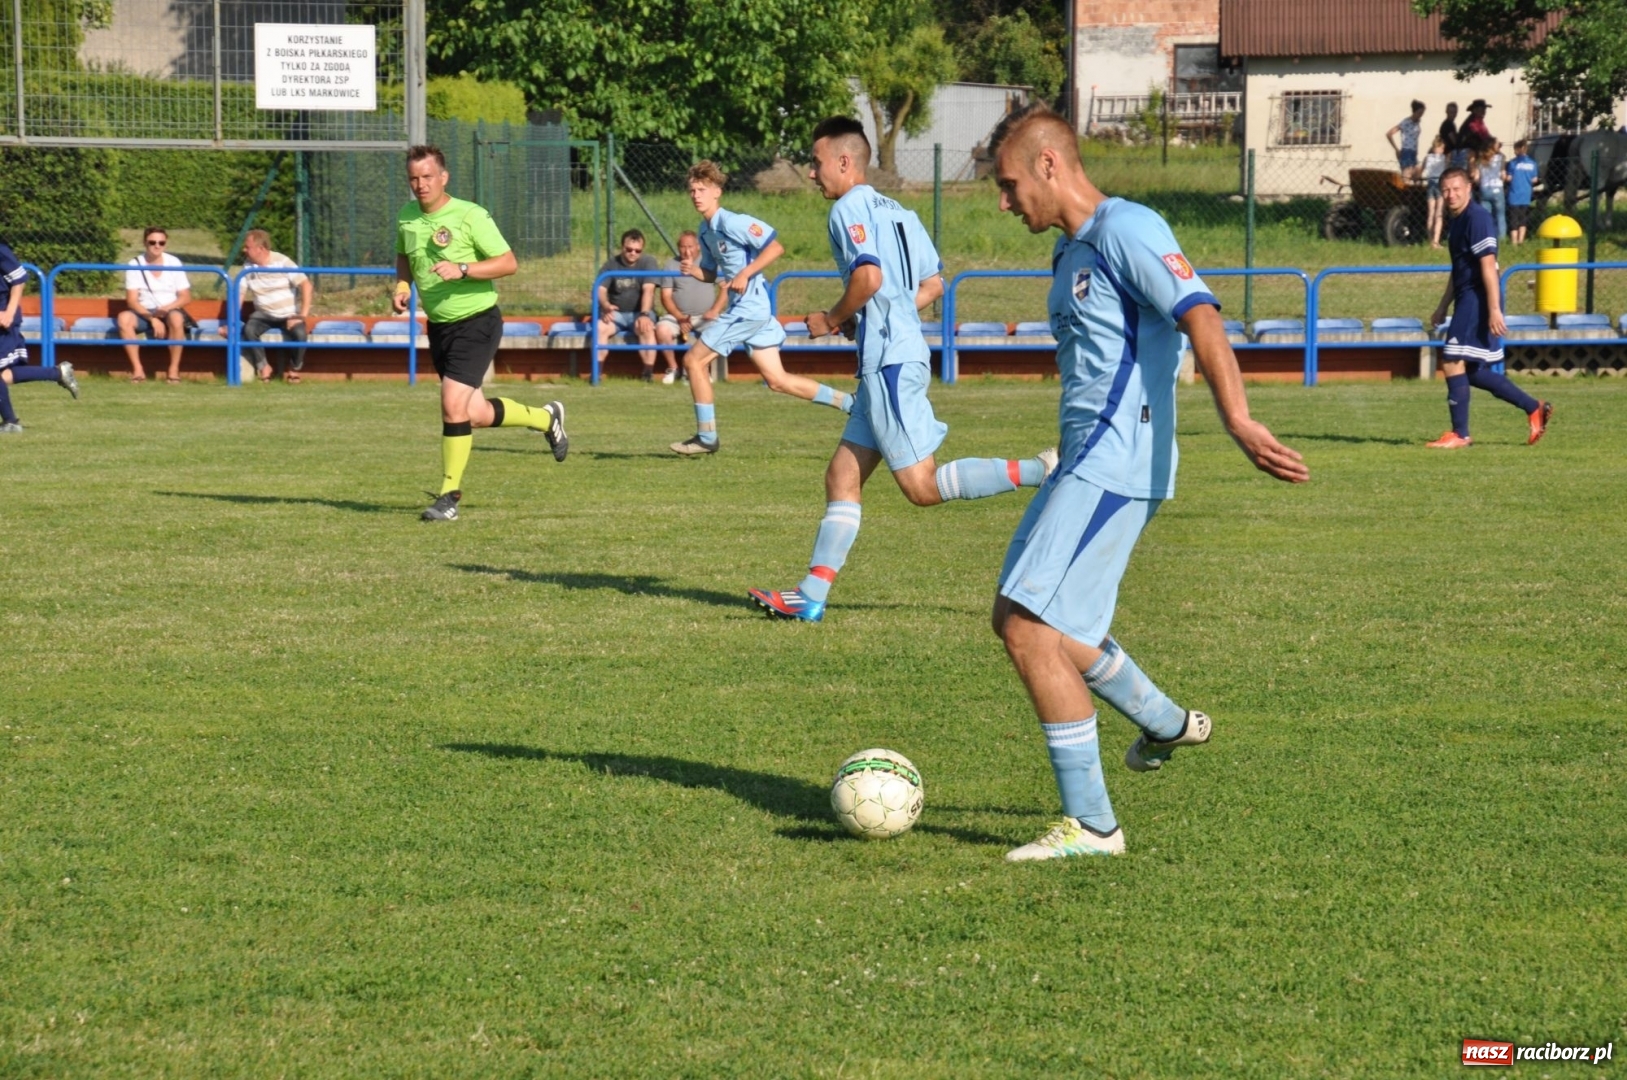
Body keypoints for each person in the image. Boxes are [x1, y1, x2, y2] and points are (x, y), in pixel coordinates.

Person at [980, 104, 1309, 862]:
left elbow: (1200, 319)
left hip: (1114, 465)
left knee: (1030, 629)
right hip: (1086, 462)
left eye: (1007, 184)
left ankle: (1093, 826)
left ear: (1049, 166)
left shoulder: (1128, 228)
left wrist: (1238, 420)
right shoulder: (1070, 254)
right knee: (1025, 619)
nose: (1004, 202)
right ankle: (1161, 721)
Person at [747, 117, 1057, 623]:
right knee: (841, 475)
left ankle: (1042, 470)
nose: (811, 173)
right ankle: (811, 594)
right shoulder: (901, 212)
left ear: (845, 162)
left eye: (817, 162)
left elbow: (868, 276)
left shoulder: (847, 208)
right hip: (897, 354)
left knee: (921, 487)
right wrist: (877, 312)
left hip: (888, 363)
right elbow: (932, 285)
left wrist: (832, 318)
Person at [393, 144, 569, 522]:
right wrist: (403, 287)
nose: (420, 185)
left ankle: (448, 496)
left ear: (444, 177)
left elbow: (508, 263)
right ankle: (545, 418)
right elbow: (404, 256)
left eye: (427, 177)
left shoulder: (469, 215)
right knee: (473, 413)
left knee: (451, 404)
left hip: (477, 322)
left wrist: (462, 268)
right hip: (439, 326)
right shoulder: (407, 217)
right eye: (413, 178)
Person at [667, 160, 856, 455]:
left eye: (702, 189)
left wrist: (745, 273)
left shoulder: (732, 222)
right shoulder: (706, 232)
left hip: (749, 309)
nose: (696, 195)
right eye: (692, 190)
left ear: (717, 191)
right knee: (777, 380)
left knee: (693, 362)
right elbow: (711, 273)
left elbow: (775, 247)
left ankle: (707, 437)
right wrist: (693, 271)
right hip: (750, 309)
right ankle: (850, 404)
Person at [1427, 167, 1551, 450]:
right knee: (1469, 371)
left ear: (1469, 188)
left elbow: (1488, 266)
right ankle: (1534, 408)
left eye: (1456, 188)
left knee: (1451, 360)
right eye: (1446, 190)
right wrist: (1442, 306)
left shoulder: (1478, 218)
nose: (1451, 194)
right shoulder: (1458, 221)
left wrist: (1494, 309)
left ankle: (1460, 434)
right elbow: (1458, 269)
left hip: (1478, 299)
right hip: (1466, 297)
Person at [0, 238, 77, 433]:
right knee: (3, 376)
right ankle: (57, 373)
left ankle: (11, 422)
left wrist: (9, 311)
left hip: (3, 319)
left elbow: (19, 279)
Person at [116, 226, 193, 384]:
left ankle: (173, 370)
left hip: (170, 309)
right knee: (123, 318)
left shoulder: (174, 262)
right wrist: (152, 319)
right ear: (145, 243)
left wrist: (167, 308)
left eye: (161, 242)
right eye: (152, 242)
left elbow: (185, 297)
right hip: (144, 312)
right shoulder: (134, 264)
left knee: (177, 319)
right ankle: (138, 370)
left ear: (165, 243)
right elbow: (131, 300)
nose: (157, 246)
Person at [238, 229, 311, 383]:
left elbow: (306, 285)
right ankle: (264, 366)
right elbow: (239, 295)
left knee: (300, 334)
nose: (244, 250)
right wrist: (232, 321)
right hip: (264, 314)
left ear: (261, 249)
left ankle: (294, 369)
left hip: (288, 313)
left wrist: (301, 316)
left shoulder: (282, 261)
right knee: (249, 329)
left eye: (247, 247)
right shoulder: (247, 267)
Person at [653, 229, 722, 384]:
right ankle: (673, 368)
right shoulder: (671, 265)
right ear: (678, 247)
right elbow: (665, 296)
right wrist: (680, 318)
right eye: (683, 247)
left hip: (705, 317)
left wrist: (714, 310)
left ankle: (703, 369)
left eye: (690, 246)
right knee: (662, 330)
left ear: (698, 246)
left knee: (717, 330)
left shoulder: (709, 263)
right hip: (678, 316)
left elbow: (725, 287)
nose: (687, 251)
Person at [596, 230, 661, 381]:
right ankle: (597, 371)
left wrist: (644, 314)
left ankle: (648, 372)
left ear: (642, 250)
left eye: (637, 250)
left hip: (639, 312)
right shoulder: (612, 264)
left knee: (646, 327)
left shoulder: (648, 262)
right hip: (616, 313)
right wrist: (605, 305)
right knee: (600, 327)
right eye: (629, 249)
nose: (633, 253)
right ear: (622, 247)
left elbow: (649, 290)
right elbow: (600, 289)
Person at [1506, 139, 1538, 245]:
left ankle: (1514, 242)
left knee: (1514, 219)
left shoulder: (1512, 163)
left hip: (1514, 194)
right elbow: (1535, 179)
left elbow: (1509, 178)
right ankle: (1521, 240)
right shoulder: (1533, 163)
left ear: (1517, 149)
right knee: (1523, 218)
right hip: (1526, 194)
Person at [1477, 141, 1508, 238]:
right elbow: (1503, 175)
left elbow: (1477, 178)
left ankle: (1486, 235)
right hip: (1497, 187)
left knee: (1485, 215)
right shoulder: (1499, 158)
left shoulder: (1480, 160)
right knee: (1500, 215)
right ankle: (1501, 237)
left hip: (1485, 188)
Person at [1387, 100, 1426, 177]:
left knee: (1417, 176)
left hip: (1414, 152)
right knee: (1407, 176)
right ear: (1414, 112)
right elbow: (1389, 134)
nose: (1420, 115)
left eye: (1422, 113)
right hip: (1406, 151)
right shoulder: (1406, 122)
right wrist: (1396, 149)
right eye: (1419, 113)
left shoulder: (1417, 123)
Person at [1424, 136, 1449, 247]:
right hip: (1439, 183)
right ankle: (1436, 241)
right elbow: (1447, 170)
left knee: (1431, 213)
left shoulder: (1427, 158)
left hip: (1430, 183)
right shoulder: (1444, 158)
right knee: (1439, 213)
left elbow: (1421, 170)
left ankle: (1430, 239)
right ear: (1440, 147)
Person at [1439, 102, 1465, 170]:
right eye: (1451, 112)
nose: (1453, 114)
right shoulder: (1448, 124)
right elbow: (1454, 141)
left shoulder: (1451, 124)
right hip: (1448, 154)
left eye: (1454, 112)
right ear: (1446, 111)